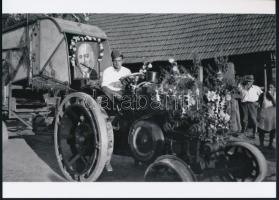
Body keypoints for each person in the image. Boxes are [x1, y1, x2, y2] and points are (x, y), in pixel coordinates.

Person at [257, 82, 276, 149]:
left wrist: (272, 97)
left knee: (273, 130)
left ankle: (270, 144)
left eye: (271, 87)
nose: (269, 89)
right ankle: (261, 144)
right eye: (268, 87)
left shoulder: (275, 94)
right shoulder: (262, 95)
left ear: (274, 88)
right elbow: (258, 106)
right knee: (261, 130)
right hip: (264, 114)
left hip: (273, 115)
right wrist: (258, 115)